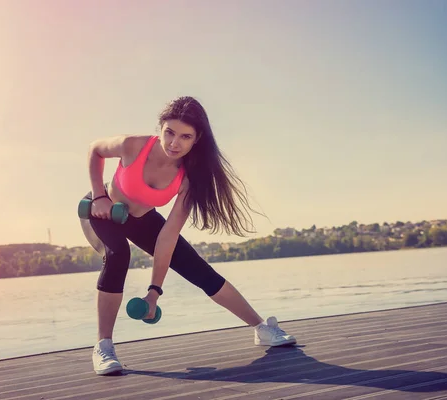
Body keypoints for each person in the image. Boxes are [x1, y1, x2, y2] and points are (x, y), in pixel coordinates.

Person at [80, 96, 296, 376]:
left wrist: (153, 292)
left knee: (197, 268)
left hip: (142, 219)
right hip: (102, 211)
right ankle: (103, 347)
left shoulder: (188, 179)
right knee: (118, 254)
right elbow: (94, 150)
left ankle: (261, 328)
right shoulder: (133, 145)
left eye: (185, 136)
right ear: (160, 128)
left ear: (197, 139)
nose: (174, 143)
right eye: (169, 132)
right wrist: (99, 196)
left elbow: (167, 238)